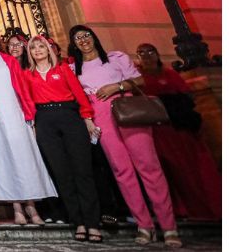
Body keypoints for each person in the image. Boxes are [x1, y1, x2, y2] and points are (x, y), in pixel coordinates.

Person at [68, 25, 181, 248]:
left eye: (86, 35)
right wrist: (88, 121)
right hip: (100, 116)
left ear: (94, 37)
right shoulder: (73, 68)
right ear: (74, 44)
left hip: (127, 109)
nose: (83, 40)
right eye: (78, 38)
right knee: (122, 171)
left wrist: (116, 86)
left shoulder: (115, 58)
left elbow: (139, 81)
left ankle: (169, 226)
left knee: (149, 167)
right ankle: (144, 225)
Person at [22, 36, 102, 242]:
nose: (38, 50)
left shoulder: (63, 69)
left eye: (41, 46)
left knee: (82, 171)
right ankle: (79, 222)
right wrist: (33, 125)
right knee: (61, 173)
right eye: (33, 48)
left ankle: (93, 222)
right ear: (29, 53)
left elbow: (79, 95)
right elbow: (28, 102)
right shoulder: (27, 75)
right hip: (45, 121)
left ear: (49, 49)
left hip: (70, 117)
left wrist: (88, 118)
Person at [0, 26, 56, 225]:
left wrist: (29, 113)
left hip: (15, 113)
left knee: (24, 158)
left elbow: (22, 87)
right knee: (3, 161)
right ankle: (16, 207)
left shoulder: (9, 60)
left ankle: (31, 206)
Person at [136, 43, 221, 221]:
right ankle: (176, 209)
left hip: (177, 128)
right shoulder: (137, 75)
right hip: (157, 130)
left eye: (150, 51)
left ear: (157, 54)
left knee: (189, 169)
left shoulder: (169, 74)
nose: (146, 56)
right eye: (141, 53)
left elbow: (187, 96)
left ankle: (200, 208)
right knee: (166, 171)